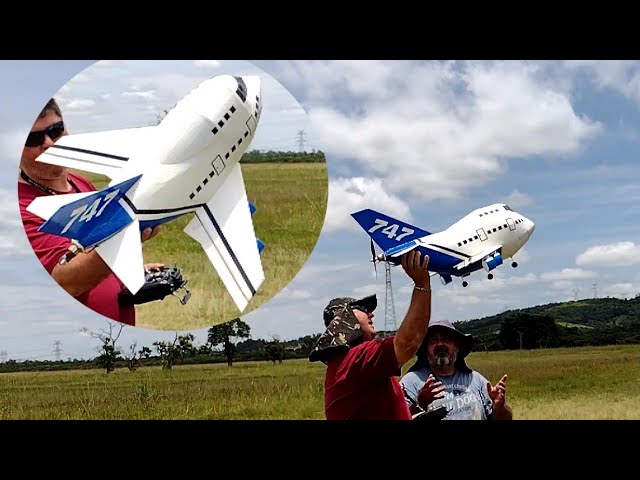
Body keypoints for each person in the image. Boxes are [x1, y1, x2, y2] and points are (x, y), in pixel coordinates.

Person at [18, 98, 163, 326]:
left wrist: (132, 271)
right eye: (33, 138)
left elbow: (96, 248)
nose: (48, 143)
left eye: (55, 131)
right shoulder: (22, 208)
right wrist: (124, 237)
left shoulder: (81, 184)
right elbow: (65, 281)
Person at [308, 250, 432, 420]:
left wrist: (417, 408)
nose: (371, 314)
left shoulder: (346, 364)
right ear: (343, 318)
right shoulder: (356, 361)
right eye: (363, 309)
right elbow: (408, 342)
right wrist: (422, 284)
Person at [400, 318, 512, 420]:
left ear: (457, 346)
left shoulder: (475, 380)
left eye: (446, 339)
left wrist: (500, 406)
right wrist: (419, 404)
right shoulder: (412, 382)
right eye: (433, 340)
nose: (440, 344)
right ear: (426, 350)